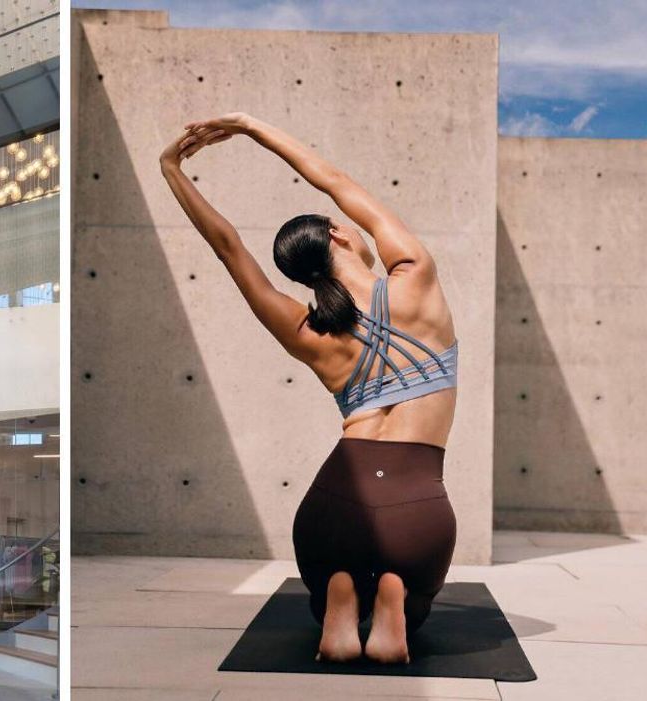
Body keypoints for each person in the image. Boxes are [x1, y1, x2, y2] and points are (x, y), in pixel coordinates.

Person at [160, 112, 459, 664]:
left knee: (328, 572)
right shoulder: (415, 275)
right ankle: (396, 602)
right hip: (418, 505)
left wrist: (170, 167)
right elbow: (335, 182)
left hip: (334, 505)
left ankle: (337, 597)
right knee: (417, 595)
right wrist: (251, 127)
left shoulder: (306, 330)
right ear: (342, 233)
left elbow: (228, 249)